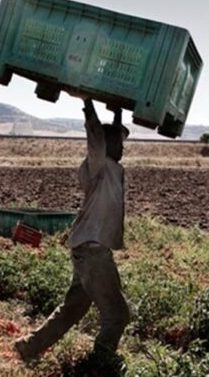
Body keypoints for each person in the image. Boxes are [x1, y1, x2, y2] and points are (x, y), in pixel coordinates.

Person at [14, 98, 131, 363]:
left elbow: (106, 139)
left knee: (74, 308)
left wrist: (118, 115)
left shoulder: (111, 166)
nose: (123, 147)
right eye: (119, 142)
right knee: (117, 315)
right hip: (93, 251)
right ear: (106, 143)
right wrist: (88, 103)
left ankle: (29, 347)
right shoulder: (97, 165)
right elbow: (96, 138)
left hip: (87, 249)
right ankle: (99, 364)